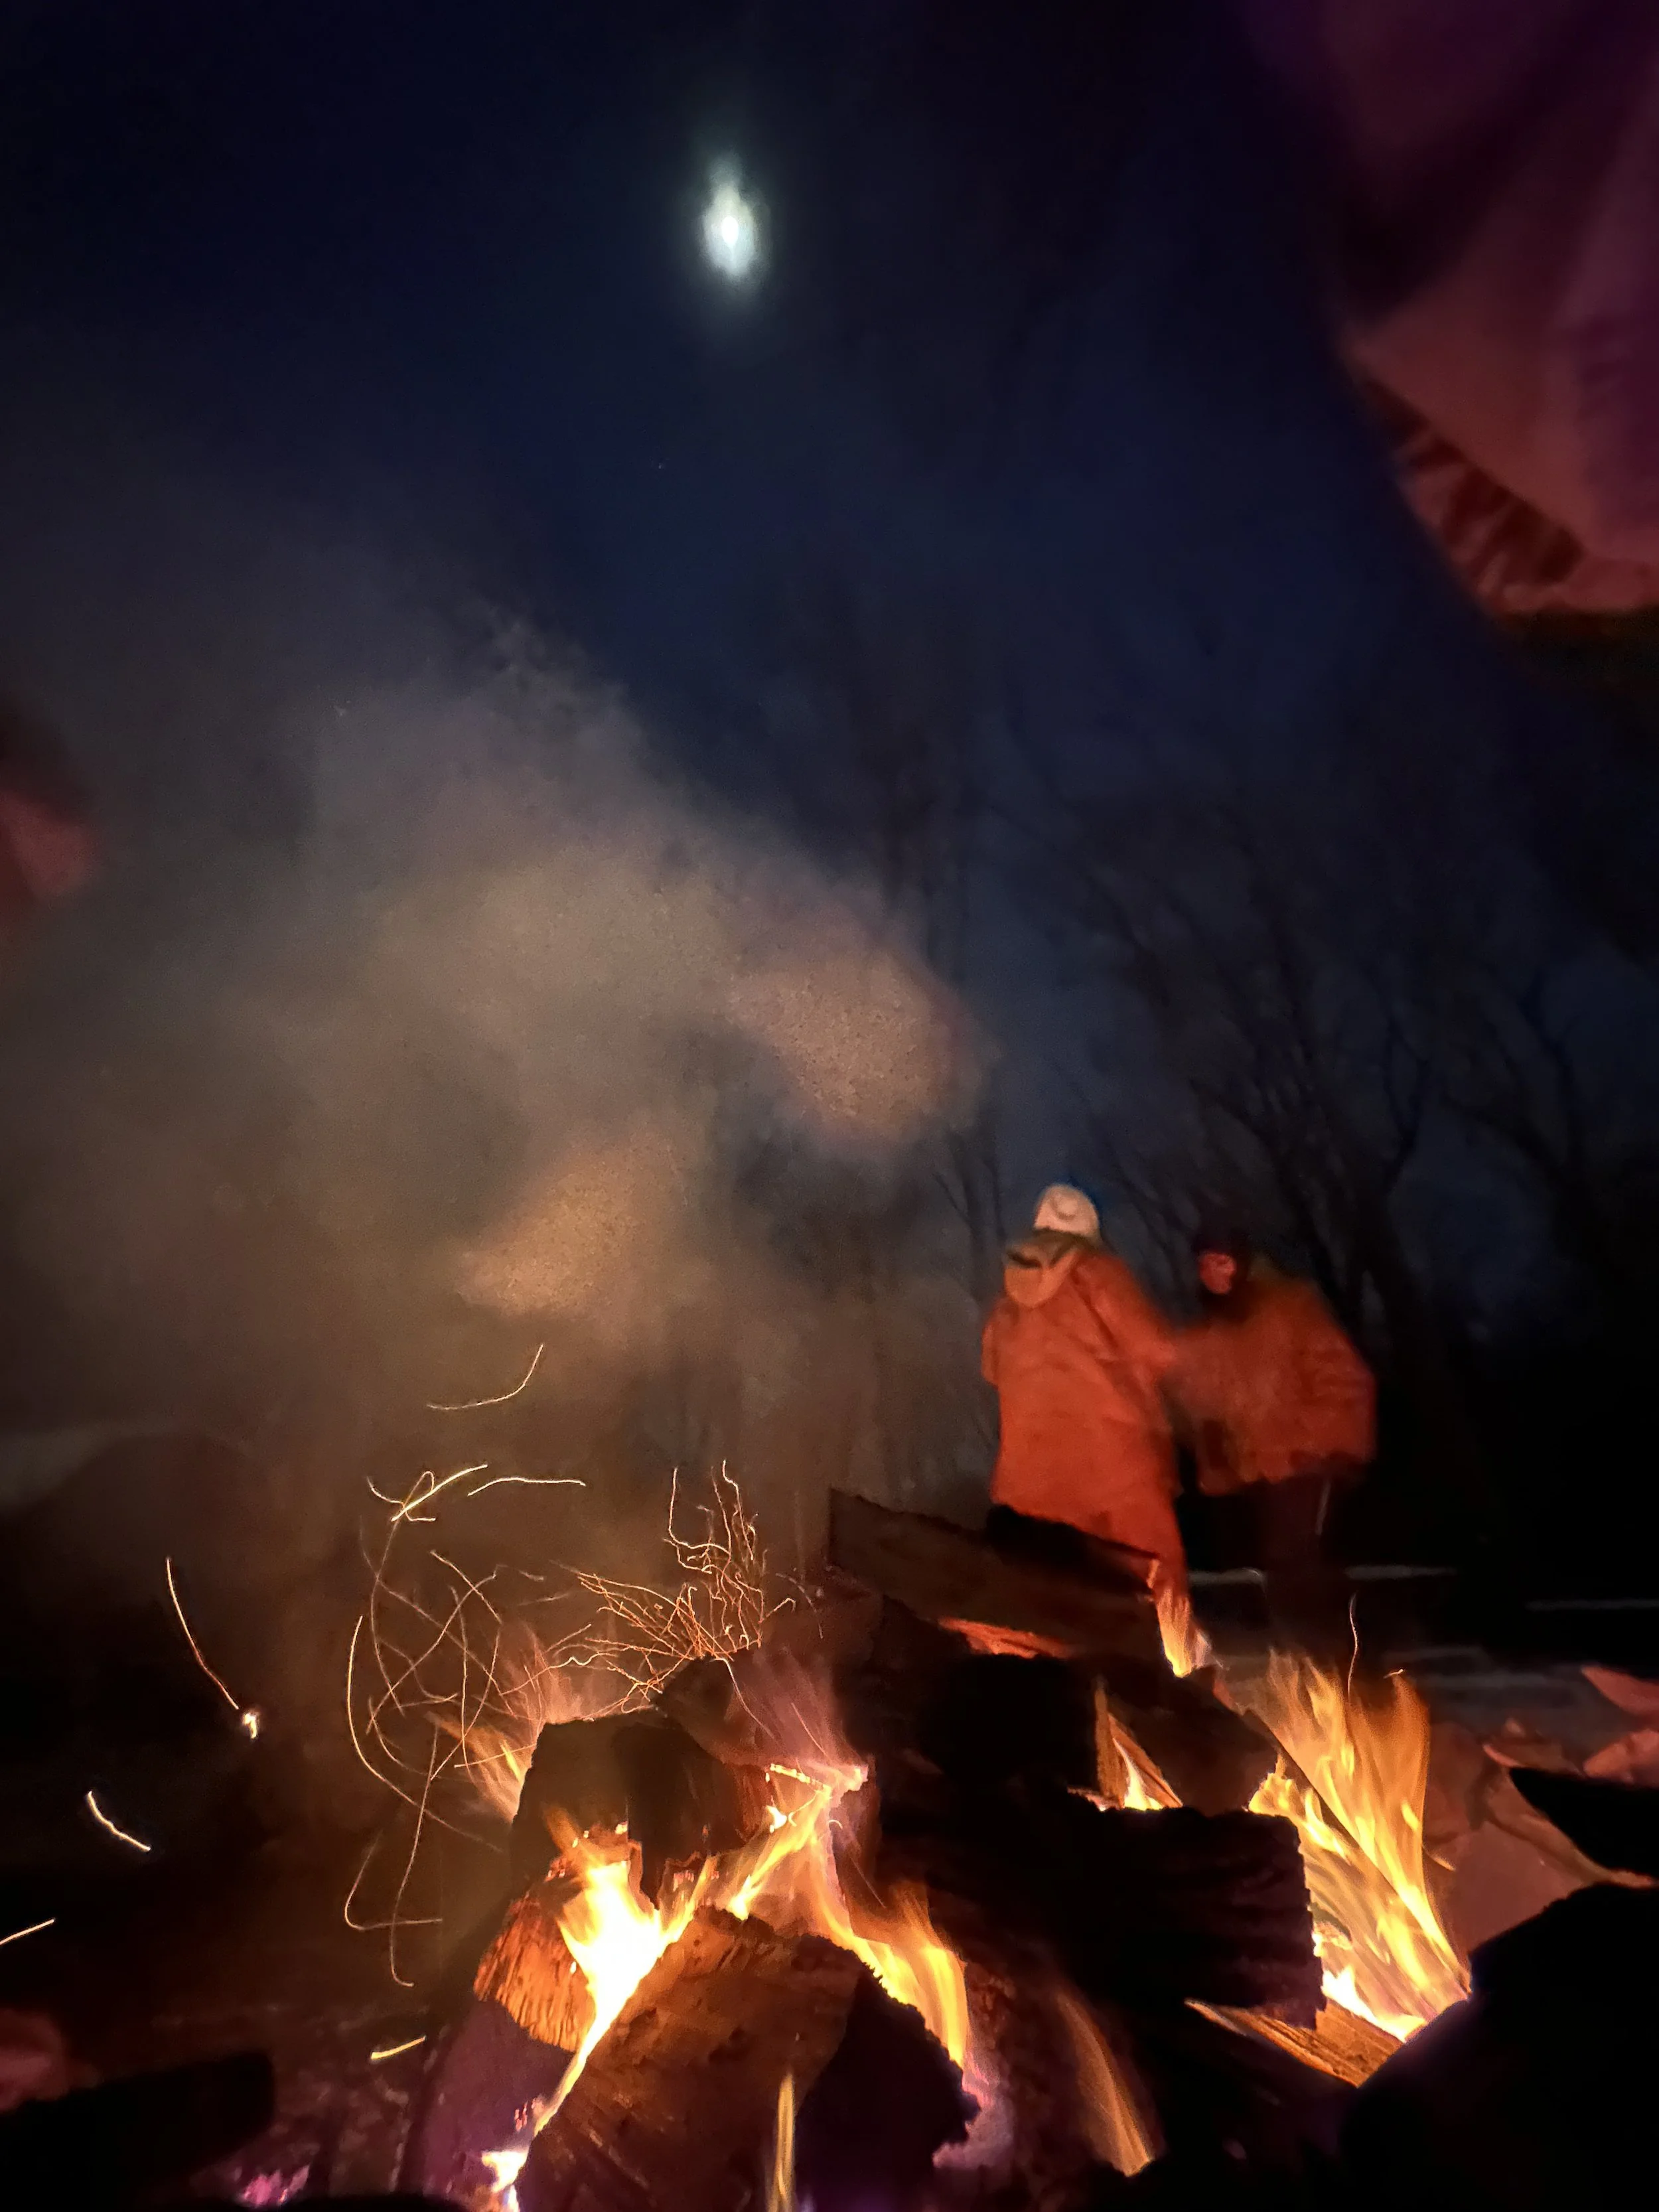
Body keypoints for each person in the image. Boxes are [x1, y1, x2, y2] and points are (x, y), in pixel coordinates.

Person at [1169, 1222, 1374, 1649]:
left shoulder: (1290, 1309)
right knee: (1275, 1577)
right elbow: (1196, 1396)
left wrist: (1311, 1443)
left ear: (1243, 1264)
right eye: (1204, 1265)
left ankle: (1348, 1679)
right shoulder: (1215, 1331)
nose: (1213, 1273)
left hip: (1307, 1462)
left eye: (1222, 1262)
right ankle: (1314, 1680)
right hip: (1261, 1475)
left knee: (1298, 1569)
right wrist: (1212, 1446)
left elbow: (1345, 1379)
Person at [981, 1183, 1185, 1597]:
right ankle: (1172, 1660)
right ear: (1090, 1232)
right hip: (1115, 1464)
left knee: (1051, 1590)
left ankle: (1052, 1663)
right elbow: (1158, 1349)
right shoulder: (1100, 1273)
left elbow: (992, 1370)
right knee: (1151, 1573)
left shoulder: (1008, 1302)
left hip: (1032, 1474)